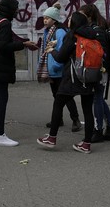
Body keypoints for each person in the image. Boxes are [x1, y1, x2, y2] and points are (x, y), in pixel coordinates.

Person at [36, 11, 102, 153]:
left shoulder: (72, 35)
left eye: (71, 19)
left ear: (75, 22)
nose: (68, 20)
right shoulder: (92, 34)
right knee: (87, 110)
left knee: (58, 102)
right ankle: (86, 144)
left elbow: (60, 57)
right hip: (89, 77)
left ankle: (51, 138)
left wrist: (52, 50)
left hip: (72, 78)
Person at [0, 0, 38, 146]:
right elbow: (4, 45)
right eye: (15, 8)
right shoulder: (6, 23)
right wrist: (24, 44)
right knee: (2, 98)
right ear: (9, 9)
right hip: (1, 67)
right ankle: (0, 135)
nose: (16, 11)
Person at [37, 5, 81, 133]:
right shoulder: (48, 31)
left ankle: (75, 120)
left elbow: (62, 50)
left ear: (54, 19)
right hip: (52, 70)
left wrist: (56, 65)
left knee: (65, 96)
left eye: (47, 18)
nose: (44, 20)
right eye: (44, 18)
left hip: (59, 70)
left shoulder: (59, 31)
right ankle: (58, 119)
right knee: (56, 96)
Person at [79, 3, 110, 142]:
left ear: (89, 17)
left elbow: (99, 53)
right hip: (100, 69)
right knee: (99, 98)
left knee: (97, 99)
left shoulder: (96, 31)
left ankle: (98, 129)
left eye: (82, 15)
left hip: (99, 70)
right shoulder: (98, 29)